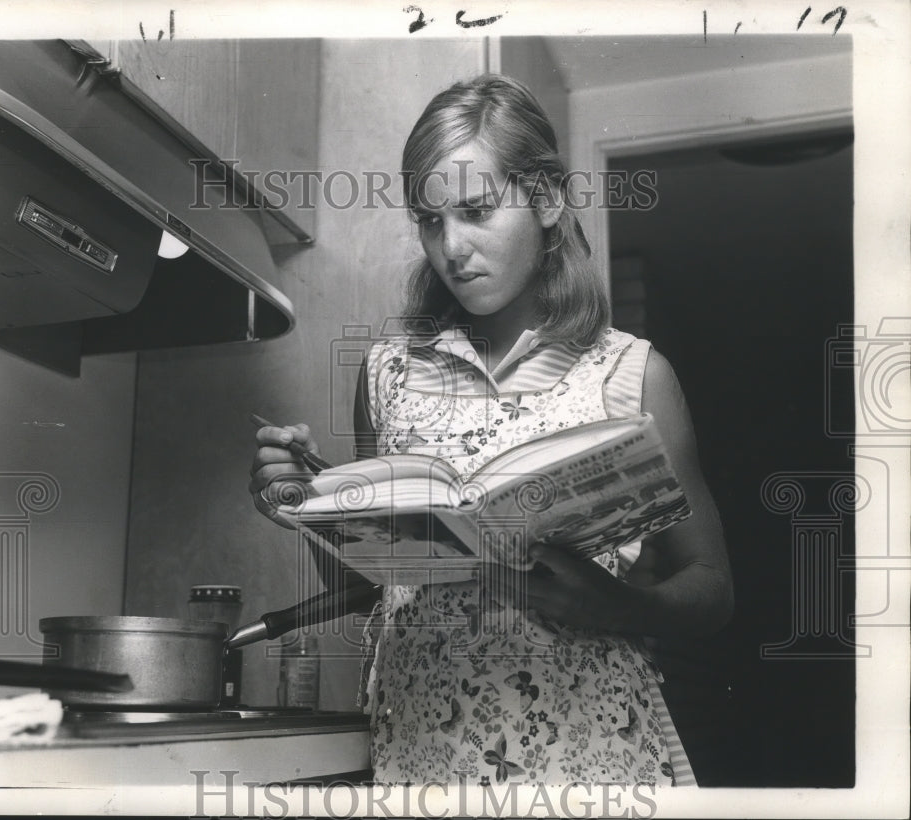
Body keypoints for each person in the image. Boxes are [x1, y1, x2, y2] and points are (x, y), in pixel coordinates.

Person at [250, 74, 732, 786]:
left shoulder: (632, 375)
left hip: (591, 762)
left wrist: (616, 605)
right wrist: (304, 504)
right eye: (430, 219)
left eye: (476, 211)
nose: (451, 247)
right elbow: (376, 584)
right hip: (424, 758)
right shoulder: (386, 374)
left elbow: (714, 589)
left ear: (545, 199)